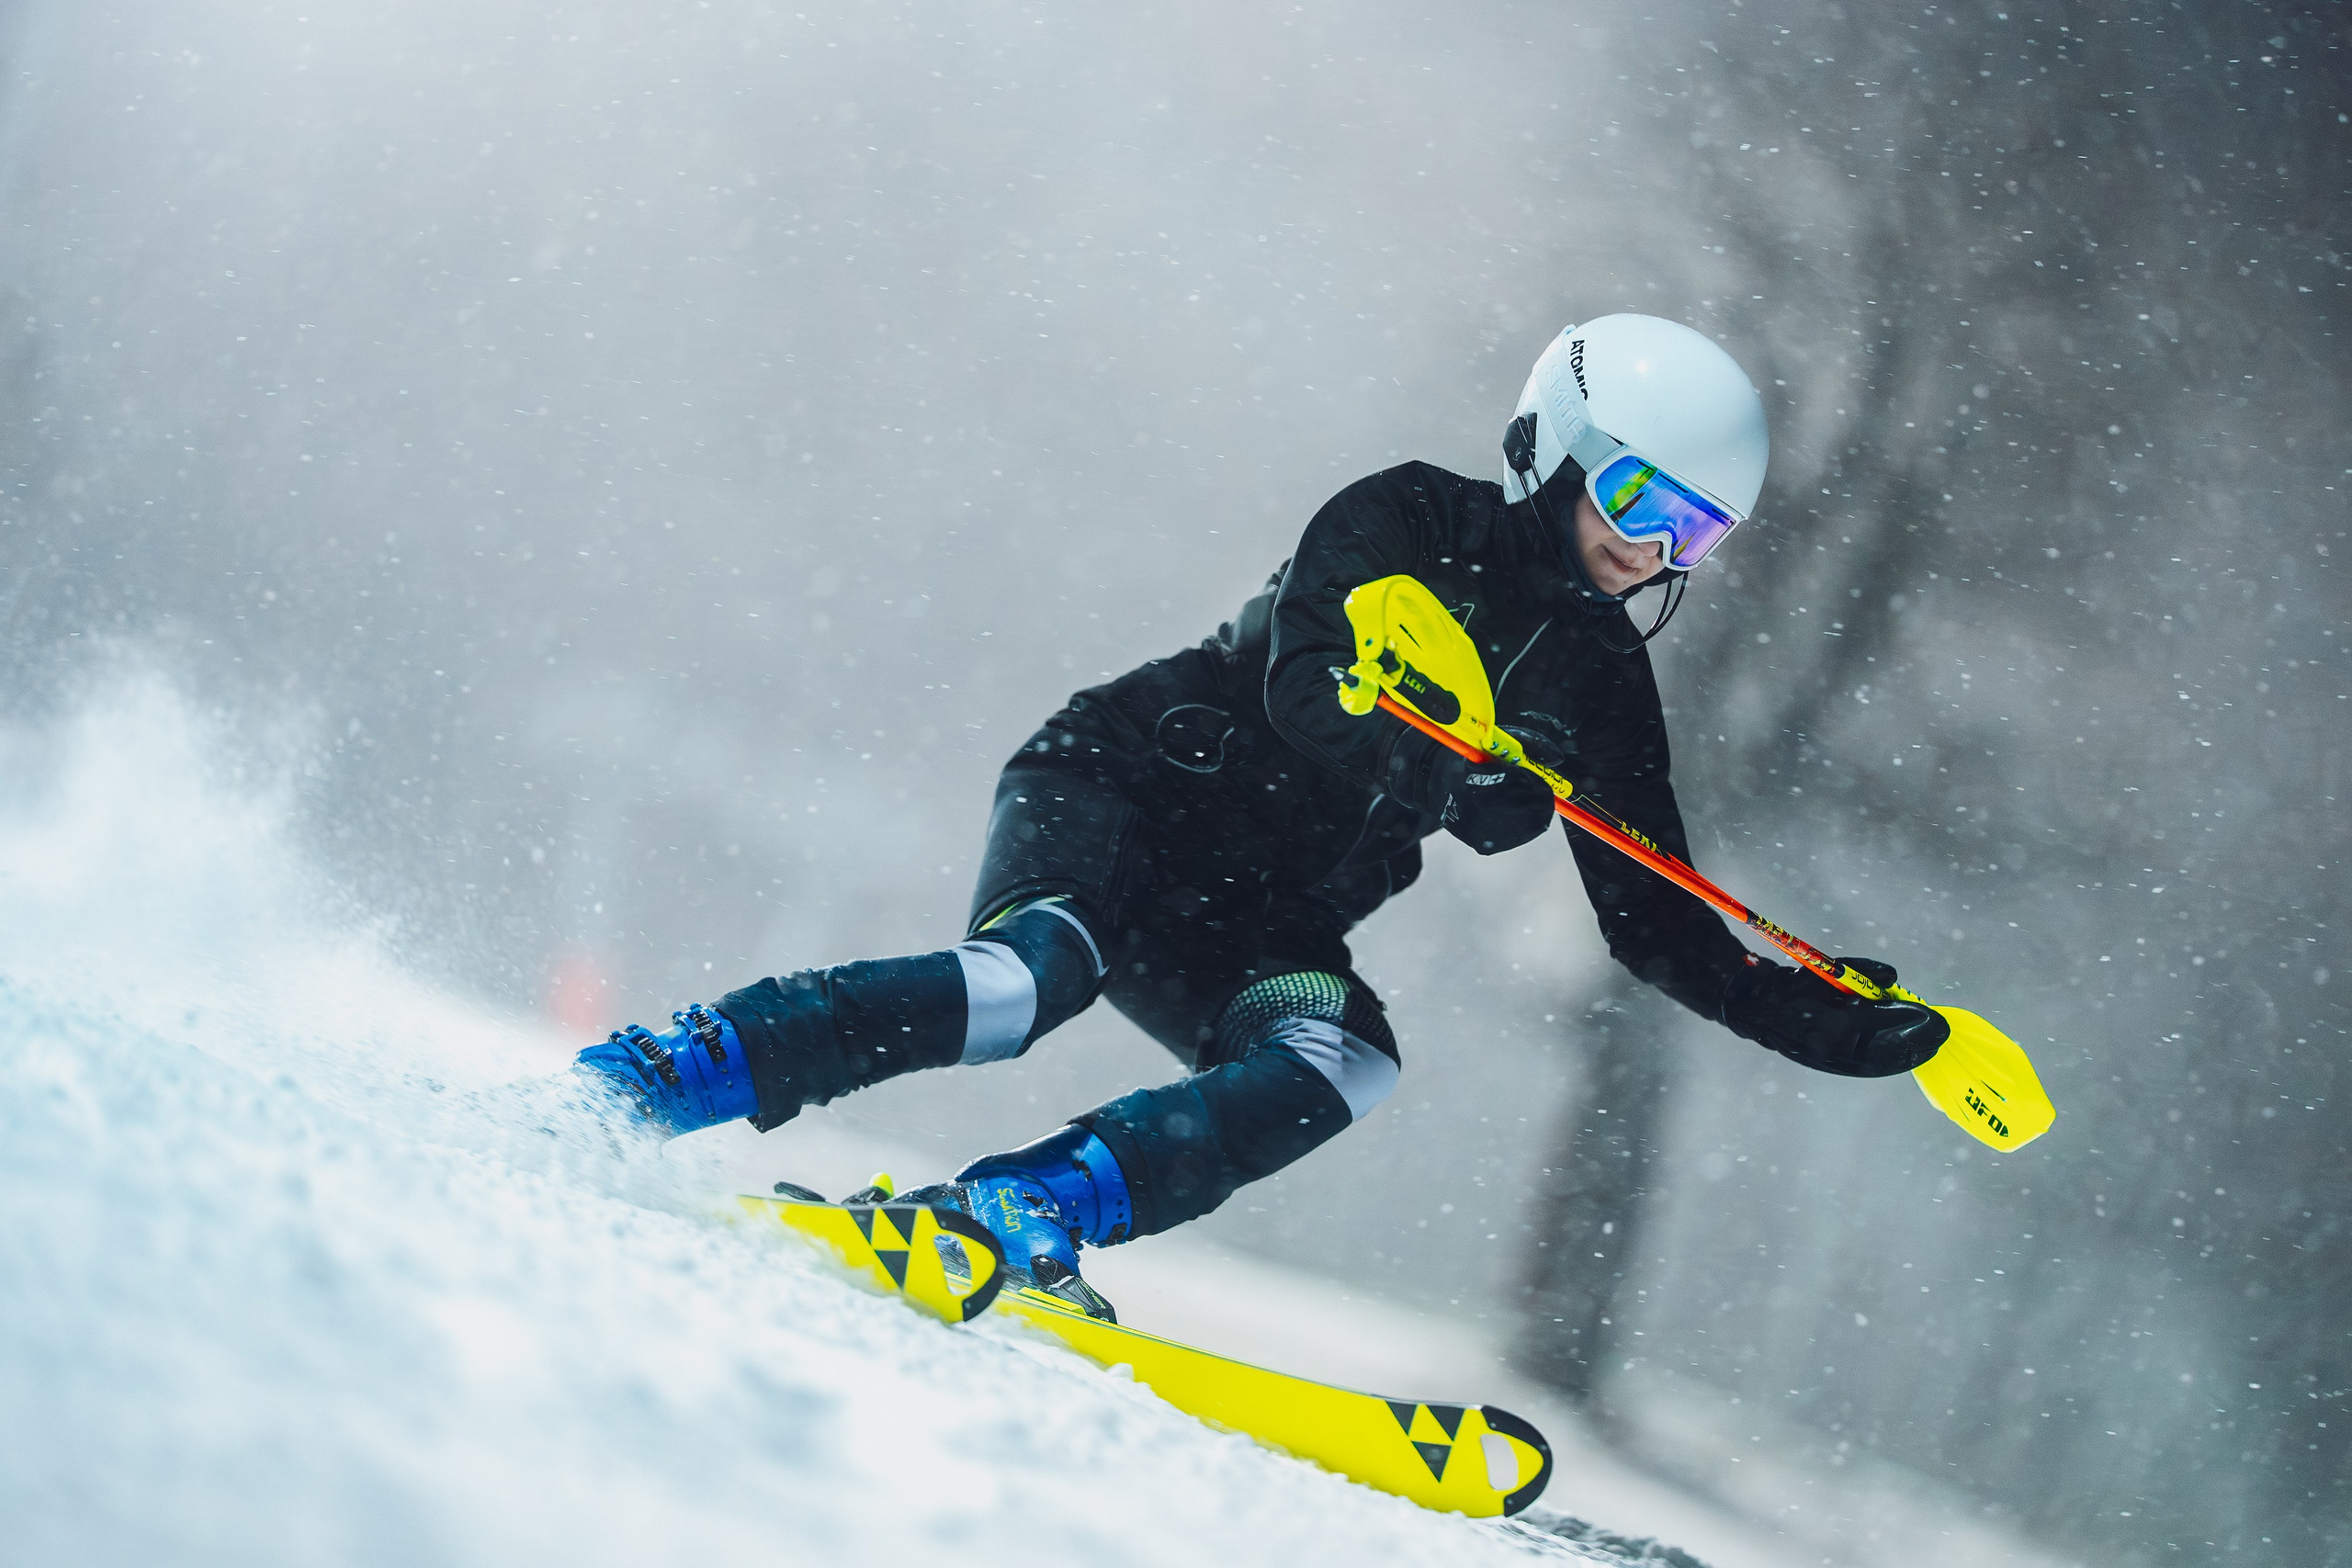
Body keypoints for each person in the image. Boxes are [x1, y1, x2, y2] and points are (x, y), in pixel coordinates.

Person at [571, 313, 1950, 1320]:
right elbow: (1305, 692)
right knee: (1025, 984)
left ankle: (1024, 1208)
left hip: (1256, 917)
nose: (1649, 552)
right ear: (1560, 452)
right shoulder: (1406, 516)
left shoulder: (1603, 680)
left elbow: (1655, 917)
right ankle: (681, 1066)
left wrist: (1805, 1018)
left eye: (1695, 534)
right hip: (1120, 789)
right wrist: (1462, 784)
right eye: (1642, 501)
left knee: (1344, 1058)